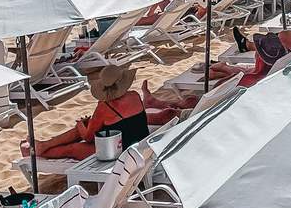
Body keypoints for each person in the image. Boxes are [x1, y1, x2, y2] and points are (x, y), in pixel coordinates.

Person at [23, 63, 177, 160]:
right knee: (87, 126)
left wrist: (79, 125)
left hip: (118, 152)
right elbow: (130, 121)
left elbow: (88, 137)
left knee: (72, 148)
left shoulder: (105, 107)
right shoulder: (135, 96)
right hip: (138, 145)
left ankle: (41, 151)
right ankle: (44, 144)